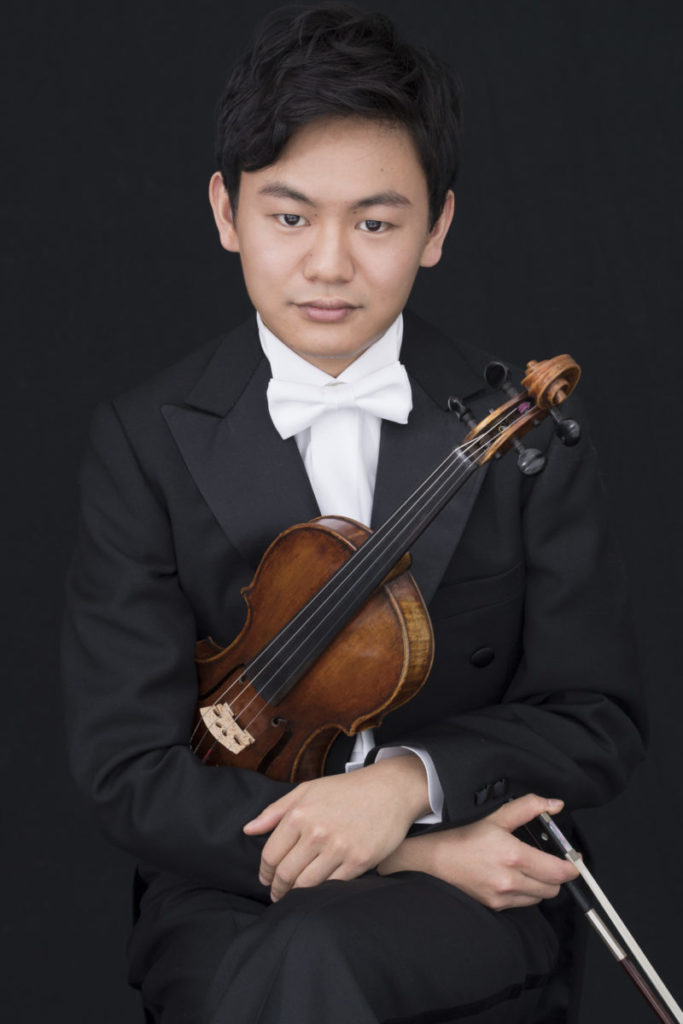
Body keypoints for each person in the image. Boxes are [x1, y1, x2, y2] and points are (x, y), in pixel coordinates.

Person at [62, 5, 645, 1022]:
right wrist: (406, 849)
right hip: (233, 884)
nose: (329, 264)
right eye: (290, 217)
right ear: (226, 212)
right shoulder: (142, 441)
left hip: (478, 881)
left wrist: (411, 784)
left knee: (307, 965)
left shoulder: (520, 432)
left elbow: (594, 718)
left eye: (374, 223)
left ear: (436, 228)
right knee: (294, 959)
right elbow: (129, 771)